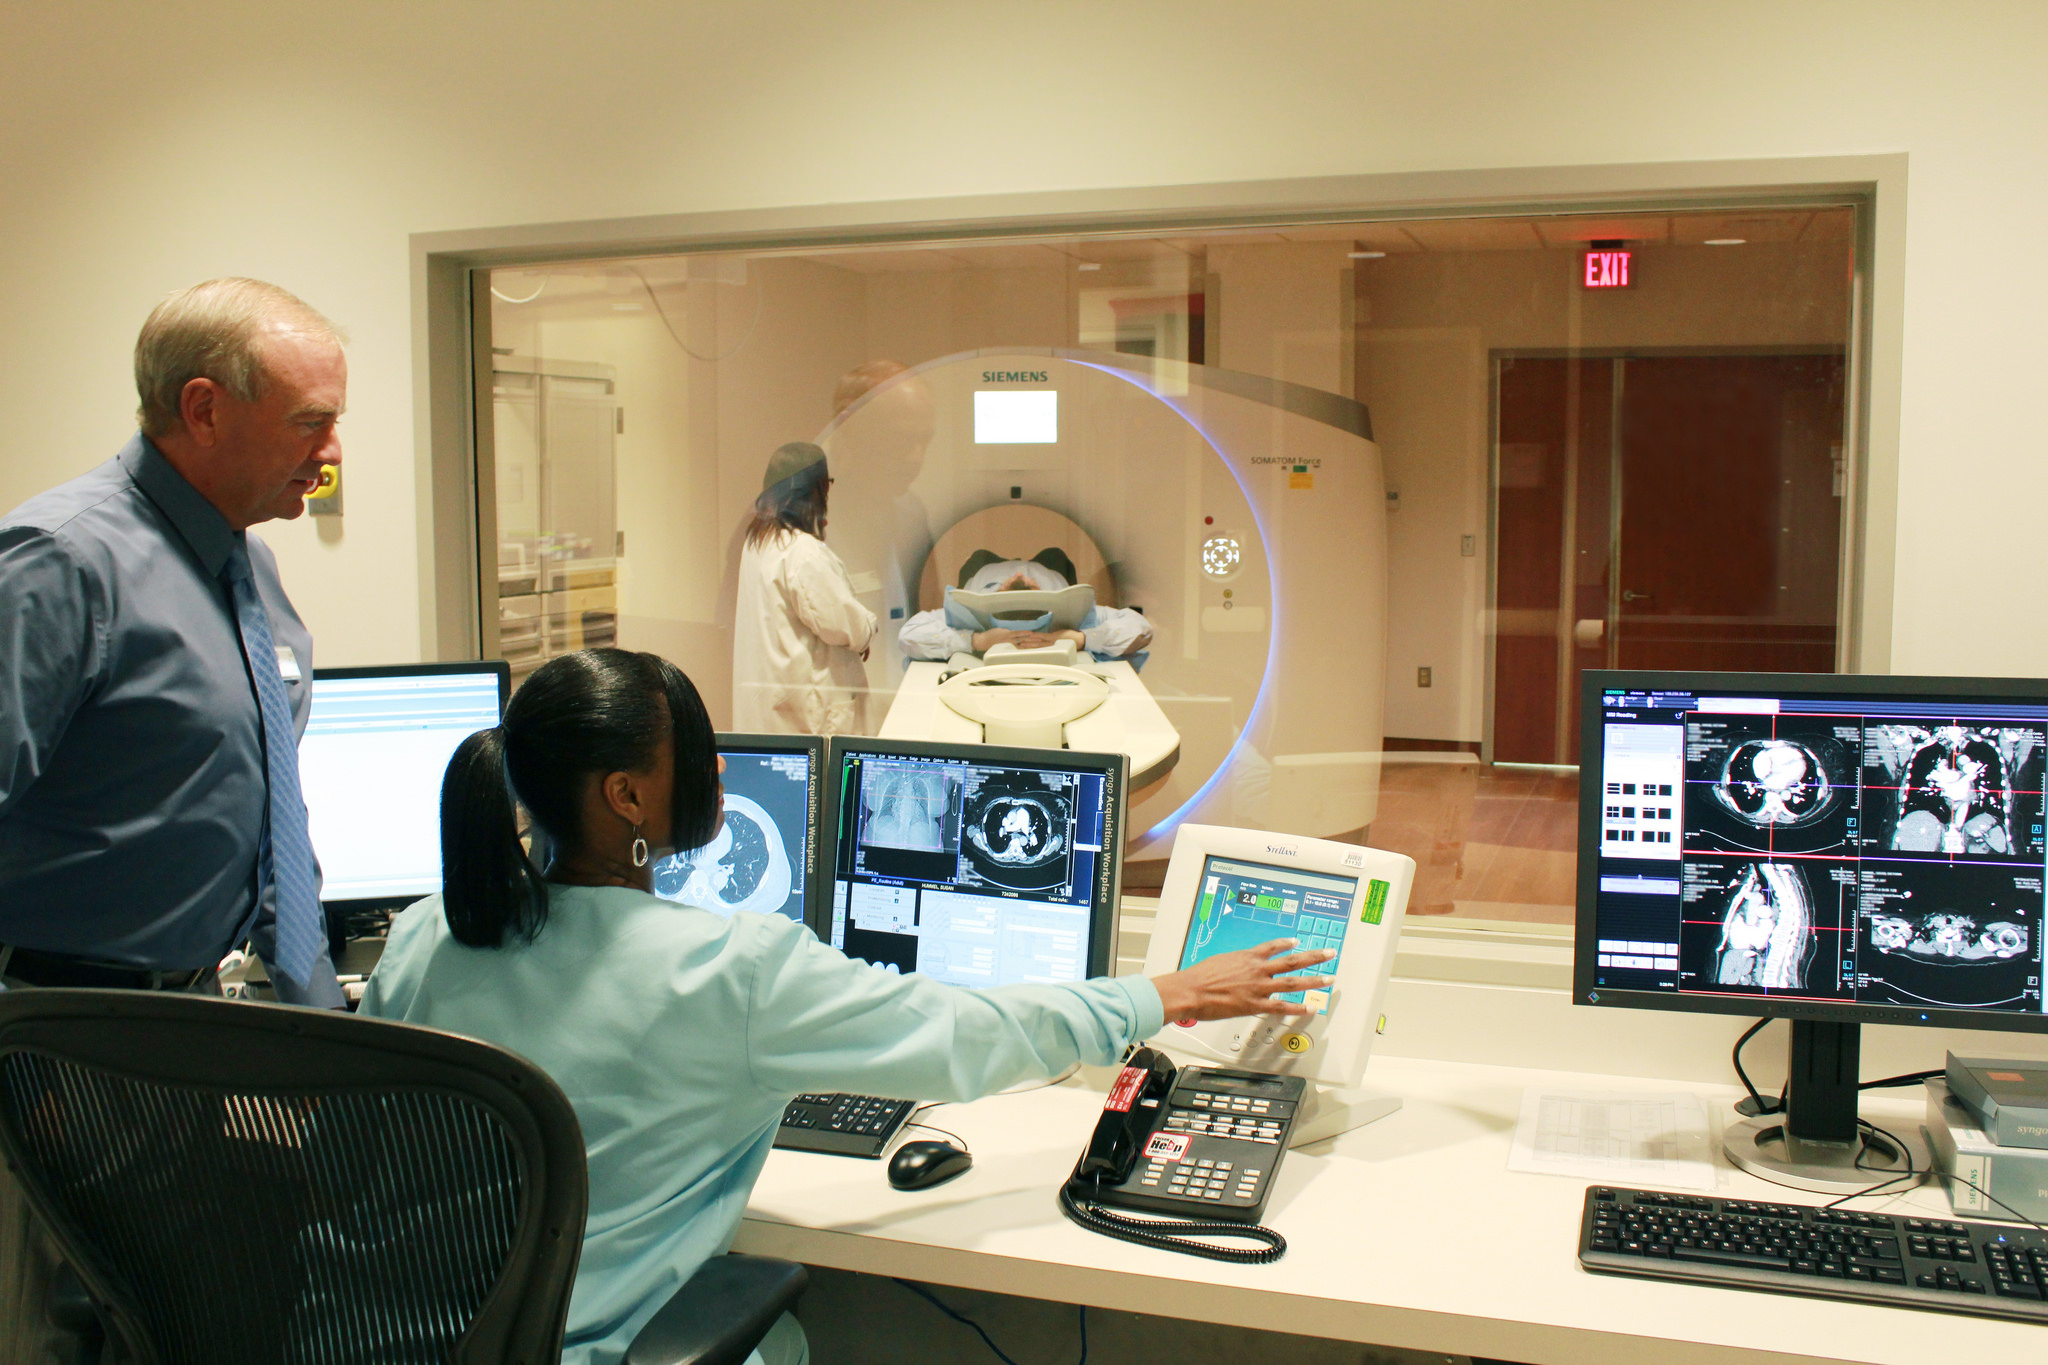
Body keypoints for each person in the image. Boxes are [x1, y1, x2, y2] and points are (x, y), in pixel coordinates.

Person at [359, 647, 1333, 1365]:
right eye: (692, 756)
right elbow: (963, 1040)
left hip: (376, 1337)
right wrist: (1156, 995)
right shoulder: (726, 970)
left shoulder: (426, 933)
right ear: (624, 796)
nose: (718, 773)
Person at [0, 276, 347, 1360]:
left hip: (183, 1035)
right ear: (203, 409)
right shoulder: (63, 563)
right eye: (308, 422)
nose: (330, 453)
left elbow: (261, 789)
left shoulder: (248, 566)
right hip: (58, 1044)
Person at [731, 442, 877, 735]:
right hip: (805, 717)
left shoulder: (758, 542)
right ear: (815, 490)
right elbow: (843, 624)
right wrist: (867, 629)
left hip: (772, 708)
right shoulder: (802, 551)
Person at [898, 549, 1154, 665]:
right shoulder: (966, 617)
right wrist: (975, 641)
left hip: (1059, 604)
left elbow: (1140, 628)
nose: (1019, 576)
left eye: (1029, 584)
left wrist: (1079, 638)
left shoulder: (1076, 616)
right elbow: (909, 635)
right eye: (1008, 583)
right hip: (981, 604)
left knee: (1053, 554)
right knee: (981, 556)